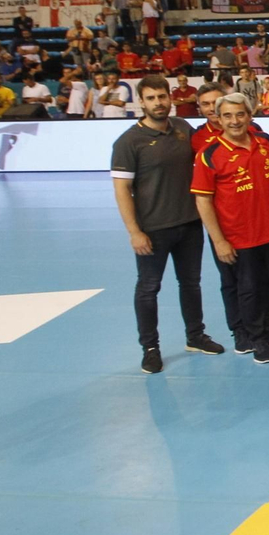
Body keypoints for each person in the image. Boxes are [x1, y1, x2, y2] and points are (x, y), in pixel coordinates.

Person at [192, 93, 269, 364]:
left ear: (250, 116)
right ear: (219, 118)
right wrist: (218, 241)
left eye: (240, 114)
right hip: (239, 237)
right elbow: (203, 200)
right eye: (227, 115)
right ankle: (259, 339)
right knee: (249, 290)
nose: (234, 121)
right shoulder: (210, 155)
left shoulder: (263, 142)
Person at [110, 76, 224, 373]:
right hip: (153, 229)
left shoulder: (183, 130)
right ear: (141, 102)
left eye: (162, 96)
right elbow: (122, 190)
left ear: (170, 98)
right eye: (151, 98)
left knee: (191, 284)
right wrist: (135, 232)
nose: (158, 103)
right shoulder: (128, 142)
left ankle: (195, 335)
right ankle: (150, 347)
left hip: (189, 223)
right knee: (148, 288)